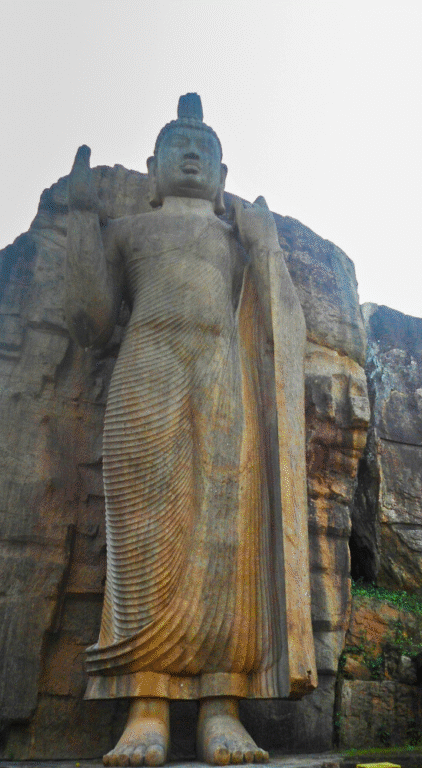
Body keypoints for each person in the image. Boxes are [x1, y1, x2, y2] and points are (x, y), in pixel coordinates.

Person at [65, 94, 314, 767]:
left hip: (221, 372)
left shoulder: (236, 239)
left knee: (223, 538)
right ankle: (145, 706)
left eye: (205, 148)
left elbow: (273, 315)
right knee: (142, 533)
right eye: (179, 143)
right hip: (146, 364)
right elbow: (92, 321)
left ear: (224, 176)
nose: (192, 154)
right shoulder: (127, 231)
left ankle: (221, 707)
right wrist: (82, 220)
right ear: (153, 167)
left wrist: (263, 246)